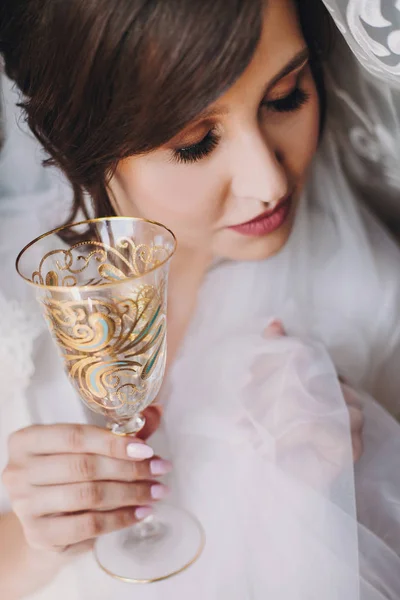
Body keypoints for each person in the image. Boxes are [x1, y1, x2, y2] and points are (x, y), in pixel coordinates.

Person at [1, 0, 400, 598]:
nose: (268, 182)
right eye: (195, 142)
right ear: (81, 142)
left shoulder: (364, 293)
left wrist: (338, 493)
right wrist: (32, 545)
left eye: (286, 96)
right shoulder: (15, 298)